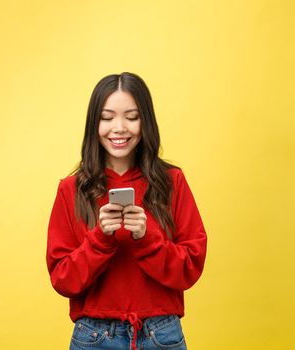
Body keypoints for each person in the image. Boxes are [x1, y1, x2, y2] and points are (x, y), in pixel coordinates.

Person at [46, 72, 207, 350]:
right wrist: (100, 238)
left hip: (161, 334)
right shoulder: (70, 189)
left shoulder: (172, 182)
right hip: (94, 336)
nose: (119, 128)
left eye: (131, 117)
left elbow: (190, 267)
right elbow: (63, 281)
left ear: (145, 122)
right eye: (107, 118)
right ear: (93, 124)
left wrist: (146, 238)